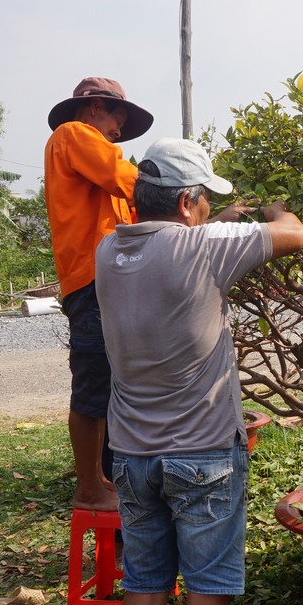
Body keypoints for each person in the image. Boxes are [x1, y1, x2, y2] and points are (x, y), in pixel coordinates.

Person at [95, 137, 303, 605]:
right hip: (205, 453)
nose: (211, 210)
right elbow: (295, 232)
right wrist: (268, 213)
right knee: (209, 584)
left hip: (133, 454)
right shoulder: (204, 249)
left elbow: (177, 246)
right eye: (206, 201)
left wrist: (221, 224)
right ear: (188, 202)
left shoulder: (107, 254)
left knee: (144, 582)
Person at [45, 77, 249, 511]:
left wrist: (203, 216)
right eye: (118, 119)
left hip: (113, 274)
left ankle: (112, 480)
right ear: (95, 107)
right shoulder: (74, 135)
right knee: (95, 381)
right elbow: (136, 187)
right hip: (92, 278)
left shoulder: (100, 169)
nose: (119, 132)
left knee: (121, 381)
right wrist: (177, 182)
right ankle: (89, 487)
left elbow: (150, 215)